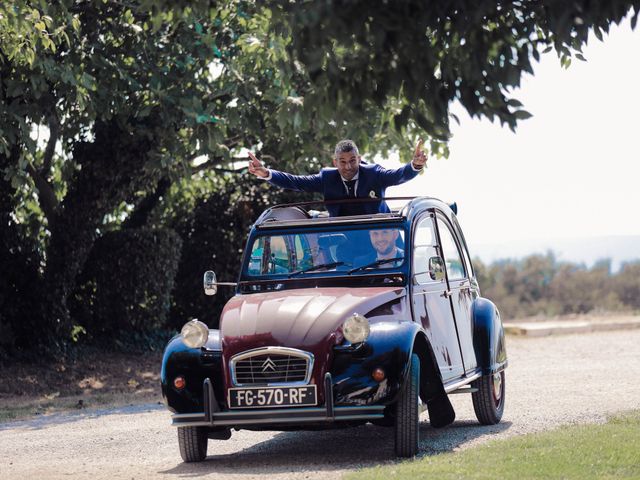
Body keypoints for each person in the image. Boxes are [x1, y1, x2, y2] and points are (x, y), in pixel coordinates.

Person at [248, 139, 427, 216]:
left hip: (382, 239)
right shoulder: (327, 178)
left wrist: (415, 165)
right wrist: (266, 173)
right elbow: (296, 182)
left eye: (352, 161)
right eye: (342, 162)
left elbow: (398, 176)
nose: (348, 167)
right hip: (345, 242)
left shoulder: (374, 173)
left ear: (360, 159)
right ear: (335, 162)